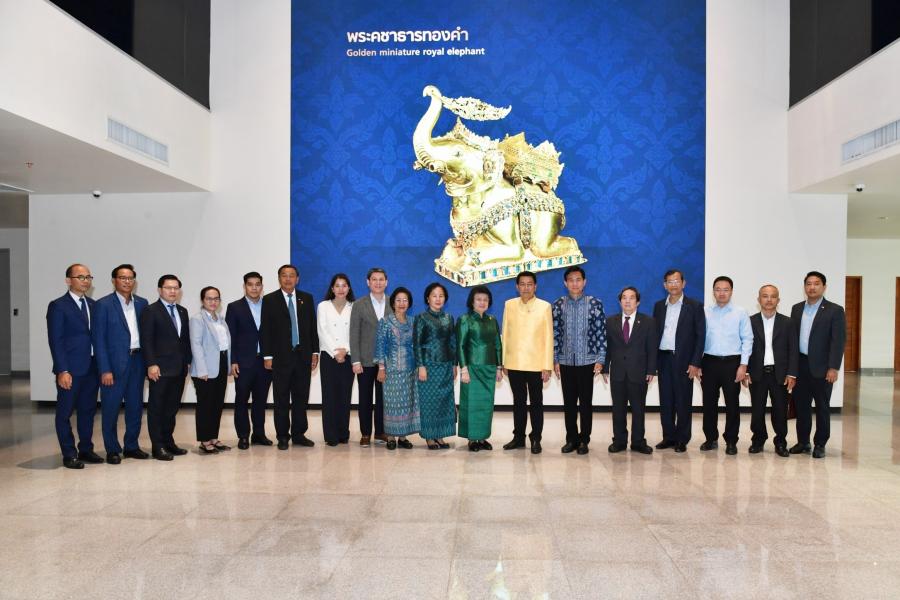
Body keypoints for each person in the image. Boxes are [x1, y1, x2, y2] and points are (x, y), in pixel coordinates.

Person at [92, 264, 149, 464]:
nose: (127, 281)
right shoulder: (103, 305)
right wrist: (105, 369)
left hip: (137, 361)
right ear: (114, 280)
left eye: (130, 278)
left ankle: (131, 446)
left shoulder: (142, 303)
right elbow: (98, 340)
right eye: (123, 278)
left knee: (135, 407)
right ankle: (112, 449)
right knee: (110, 409)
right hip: (113, 366)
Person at [46, 263, 101, 469]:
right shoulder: (58, 306)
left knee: (88, 411)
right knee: (65, 413)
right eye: (81, 277)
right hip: (70, 369)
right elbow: (56, 341)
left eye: (88, 277)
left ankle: (86, 449)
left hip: (92, 368)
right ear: (68, 280)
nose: (85, 281)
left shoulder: (94, 305)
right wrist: (63, 370)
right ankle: (69, 454)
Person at [260, 264, 318, 450]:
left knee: (301, 398)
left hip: (303, 357)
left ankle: (299, 434)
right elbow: (265, 330)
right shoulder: (270, 300)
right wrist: (267, 356)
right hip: (280, 358)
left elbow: (312, 327)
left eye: (291, 275)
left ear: (297, 279)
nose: (288, 279)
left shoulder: (306, 298)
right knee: (281, 399)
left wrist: (315, 352)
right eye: (284, 275)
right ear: (279, 278)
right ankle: (283, 436)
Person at [790, 271, 846, 458]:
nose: (812, 287)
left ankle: (820, 444)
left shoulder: (834, 310)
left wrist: (833, 367)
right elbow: (792, 339)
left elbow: (838, 341)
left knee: (822, 407)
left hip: (823, 368)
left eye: (816, 284)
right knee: (801, 406)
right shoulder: (797, 309)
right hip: (800, 365)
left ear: (824, 287)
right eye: (808, 284)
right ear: (804, 287)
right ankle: (803, 442)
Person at [552, 266, 607, 455]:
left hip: (587, 361)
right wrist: (555, 359)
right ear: (565, 283)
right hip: (565, 361)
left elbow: (601, 332)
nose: (574, 283)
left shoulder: (595, 304)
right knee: (568, 403)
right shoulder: (558, 304)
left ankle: (584, 440)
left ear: (584, 282)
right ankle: (571, 439)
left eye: (578, 280)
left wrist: (600, 358)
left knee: (585, 403)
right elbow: (555, 334)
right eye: (571, 280)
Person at [140, 274, 192, 461]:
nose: (172, 291)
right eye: (169, 288)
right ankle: (158, 446)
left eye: (176, 288)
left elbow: (184, 339)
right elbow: (147, 340)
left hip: (179, 368)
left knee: (172, 408)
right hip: (159, 369)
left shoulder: (182, 311)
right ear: (159, 290)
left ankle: (169, 442)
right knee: (157, 408)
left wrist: (188, 361)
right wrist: (151, 364)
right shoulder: (151, 311)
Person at [652, 269, 705, 453]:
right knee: (666, 400)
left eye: (676, 281)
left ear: (683, 283)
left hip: (684, 360)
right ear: (664, 285)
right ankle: (668, 437)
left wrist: (695, 362)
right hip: (663, 358)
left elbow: (700, 336)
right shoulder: (659, 306)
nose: (673, 285)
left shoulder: (695, 306)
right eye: (670, 281)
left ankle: (682, 438)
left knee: (683, 400)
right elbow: (655, 334)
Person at [699, 276, 752, 455]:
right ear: (713, 292)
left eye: (726, 289)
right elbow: (698, 339)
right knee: (708, 403)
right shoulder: (705, 312)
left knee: (732, 404)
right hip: (709, 362)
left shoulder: (740, 312)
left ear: (731, 291)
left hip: (732, 363)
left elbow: (748, 339)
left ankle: (731, 440)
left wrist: (743, 365)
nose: (722, 293)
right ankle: (710, 438)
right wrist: (698, 363)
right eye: (718, 289)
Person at [502, 271, 553, 454]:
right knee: (519, 402)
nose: (526, 288)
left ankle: (536, 437)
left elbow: (548, 337)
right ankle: (518, 437)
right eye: (522, 284)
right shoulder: (509, 304)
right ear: (517, 287)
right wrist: (503, 362)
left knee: (536, 402)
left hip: (536, 364)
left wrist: (547, 365)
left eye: (529, 284)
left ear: (535, 286)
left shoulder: (545, 306)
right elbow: (505, 334)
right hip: (514, 362)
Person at [744, 284, 798, 457]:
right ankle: (758, 440)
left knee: (780, 410)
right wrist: (746, 371)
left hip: (780, 374)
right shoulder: (750, 321)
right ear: (759, 299)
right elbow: (744, 347)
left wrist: (792, 373)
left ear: (778, 300)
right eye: (765, 296)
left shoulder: (788, 322)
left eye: (773, 296)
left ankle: (780, 442)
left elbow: (793, 349)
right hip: (757, 373)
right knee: (757, 410)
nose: (769, 300)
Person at [603, 286, 658, 454]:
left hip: (639, 372)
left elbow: (652, 348)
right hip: (618, 372)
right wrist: (605, 367)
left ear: (638, 302)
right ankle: (619, 441)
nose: (627, 301)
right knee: (618, 409)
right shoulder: (610, 321)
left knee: (638, 409)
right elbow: (607, 347)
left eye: (632, 297)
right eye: (624, 298)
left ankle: (638, 442)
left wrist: (651, 370)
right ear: (620, 301)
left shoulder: (648, 322)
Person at [225, 271, 272, 450]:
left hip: (265, 362)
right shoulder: (234, 307)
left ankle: (259, 434)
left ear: (262, 286)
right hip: (243, 362)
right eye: (250, 284)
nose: (254, 288)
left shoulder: (269, 305)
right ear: (244, 286)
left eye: (257, 284)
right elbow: (231, 336)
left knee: (261, 400)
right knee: (242, 400)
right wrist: (233, 360)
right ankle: (243, 435)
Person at [349, 267, 392, 447]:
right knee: (365, 398)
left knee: (383, 399)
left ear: (386, 282)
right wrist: (355, 360)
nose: (378, 283)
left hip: (387, 361)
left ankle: (381, 432)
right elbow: (354, 333)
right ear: (368, 282)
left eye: (381, 279)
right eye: (374, 279)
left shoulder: (393, 302)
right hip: (365, 360)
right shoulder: (359, 304)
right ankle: (365, 433)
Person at [457, 285, 502, 452]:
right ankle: (472, 439)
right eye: (478, 299)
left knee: (486, 405)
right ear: (472, 302)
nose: (482, 302)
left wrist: (499, 367)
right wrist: (463, 369)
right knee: (472, 404)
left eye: (485, 300)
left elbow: (497, 344)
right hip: (472, 369)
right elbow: (460, 346)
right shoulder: (465, 319)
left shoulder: (492, 320)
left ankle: (482, 438)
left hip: (489, 369)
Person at [375, 287, 420, 450]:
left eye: (405, 300)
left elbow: (417, 345)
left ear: (409, 303)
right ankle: (391, 436)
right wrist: (381, 368)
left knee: (407, 403)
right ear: (393, 303)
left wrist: (419, 366)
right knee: (392, 404)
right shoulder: (385, 322)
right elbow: (380, 345)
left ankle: (403, 437)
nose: (402, 303)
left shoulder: (413, 322)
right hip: (391, 370)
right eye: (398, 300)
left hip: (410, 369)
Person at [414, 282, 457, 449]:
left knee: (443, 402)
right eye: (434, 296)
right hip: (428, 366)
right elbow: (417, 344)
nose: (438, 299)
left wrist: (454, 364)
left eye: (441, 296)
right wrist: (421, 366)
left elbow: (452, 342)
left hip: (446, 365)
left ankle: (440, 435)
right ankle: (429, 437)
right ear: (428, 298)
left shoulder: (449, 318)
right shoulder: (422, 318)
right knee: (429, 402)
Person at [190, 286, 232, 454]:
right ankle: (204, 440)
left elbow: (225, 344)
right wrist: (202, 370)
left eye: (216, 299)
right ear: (202, 300)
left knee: (217, 404)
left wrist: (228, 365)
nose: (213, 302)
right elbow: (196, 345)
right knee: (205, 405)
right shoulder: (197, 319)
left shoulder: (220, 319)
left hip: (221, 365)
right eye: (209, 298)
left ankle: (213, 437)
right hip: (205, 369)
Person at [318, 274, 355, 446]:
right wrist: (335, 352)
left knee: (344, 395)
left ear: (349, 288)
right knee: (329, 396)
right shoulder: (323, 306)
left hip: (348, 355)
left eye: (344, 285)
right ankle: (331, 435)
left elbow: (355, 332)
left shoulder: (354, 307)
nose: (341, 289)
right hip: (328, 356)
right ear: (332, 288)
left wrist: (345, 350)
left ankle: (343, 433)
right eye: (337, 285)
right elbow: (322, 330)